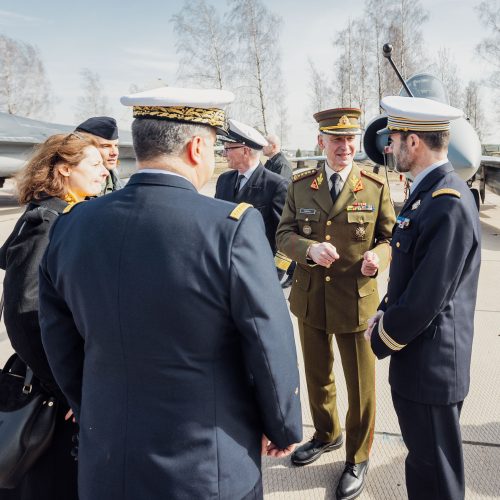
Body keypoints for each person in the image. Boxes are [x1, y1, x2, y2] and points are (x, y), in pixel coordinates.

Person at [38, 87, 302, 500]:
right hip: (205, 465)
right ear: (197, 147)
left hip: (107, 461)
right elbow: (268, 342)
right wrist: (282, 423)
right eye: (215, 147)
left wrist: (92, 407)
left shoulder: (72, 222)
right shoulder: (229, 227)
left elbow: (57, 336)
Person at [276, 107, 396, 500]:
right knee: (317, 376)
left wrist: (379, 257)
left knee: (361, 386)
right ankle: (327, 435)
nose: (344, 146)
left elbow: (389, 237)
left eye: (349, 139)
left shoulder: (375, 186)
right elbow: (284, 235)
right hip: (311, 300)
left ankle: (357, 456)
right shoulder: (300, 184)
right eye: (335, 139)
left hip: (356, 302)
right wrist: (308, 250)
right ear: (321, 142)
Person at [365, 96, 481, 500]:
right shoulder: (429, 194)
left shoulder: (447, 203)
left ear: (413, 142)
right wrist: (382, 311)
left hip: (431, 367)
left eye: (393, 139)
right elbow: (407, 275)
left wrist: (382, 334)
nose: (389, 147)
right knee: (424, 461)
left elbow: (427, 298)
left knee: (436, 473)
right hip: (420, 360)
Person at [0, 133, 108, 500]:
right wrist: (68, 388)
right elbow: (24, 314)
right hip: (53, 383)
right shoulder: (47, 222)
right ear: (65, 169)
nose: (105, 171)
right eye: (94, 165)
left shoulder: (72, 213)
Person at [215, 119, 289, 256]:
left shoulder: (276, 185)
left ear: (245, 151)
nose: (224, 154)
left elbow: (284, 236)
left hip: (257, 267)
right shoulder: (223, 180)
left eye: (228, 148)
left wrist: (273, 274)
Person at [76, 116, 122, 194]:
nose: (114, 153)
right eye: (105, 146)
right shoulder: (69, 191)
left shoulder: (122, 190)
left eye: (116, 145)